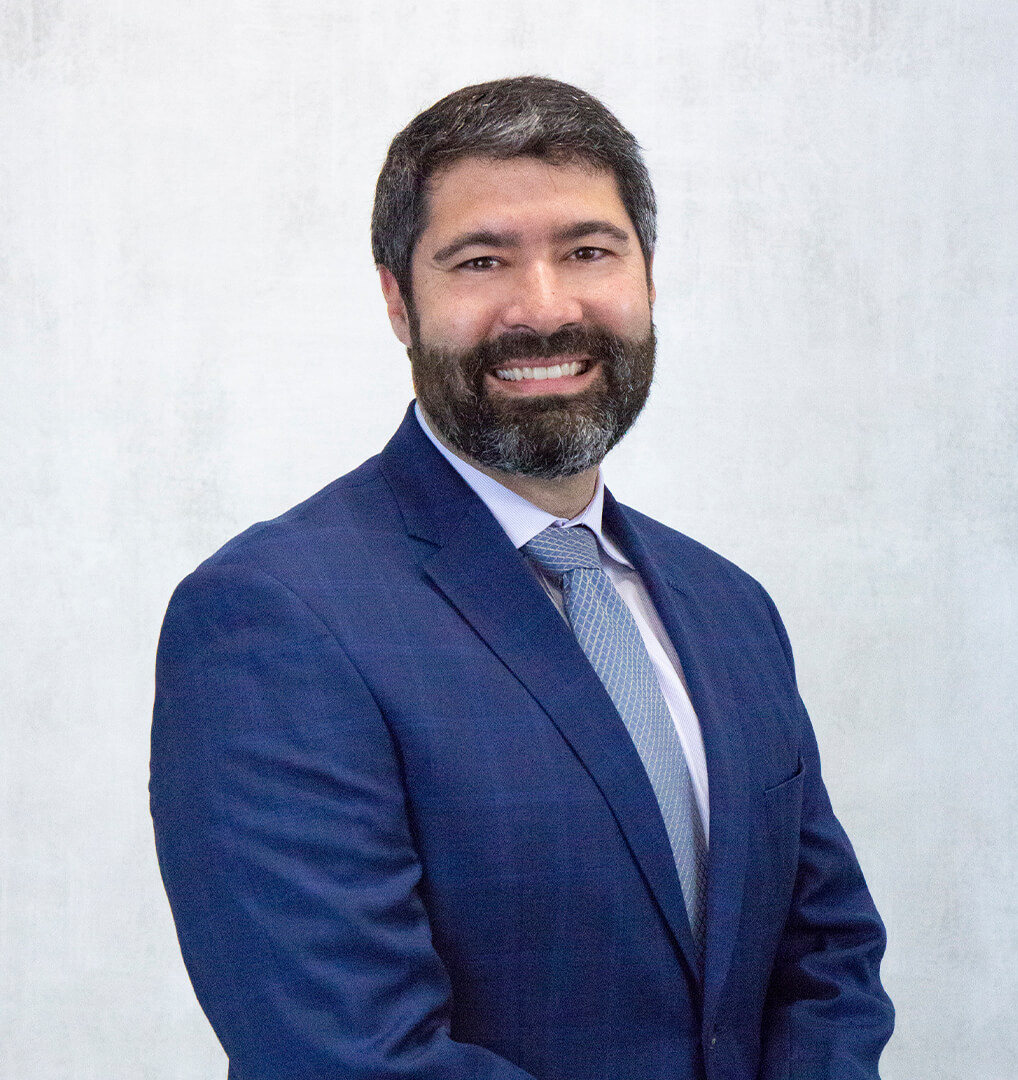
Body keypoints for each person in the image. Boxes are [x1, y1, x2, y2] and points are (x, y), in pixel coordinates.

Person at [150, 76, 894, 1080]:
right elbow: (345, 1054)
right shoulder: (275, 617)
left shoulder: (729, 607)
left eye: (588, 252)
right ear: (398, 301)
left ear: (648, 278)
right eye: (482, 261)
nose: (544, 309)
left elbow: (827, 958)